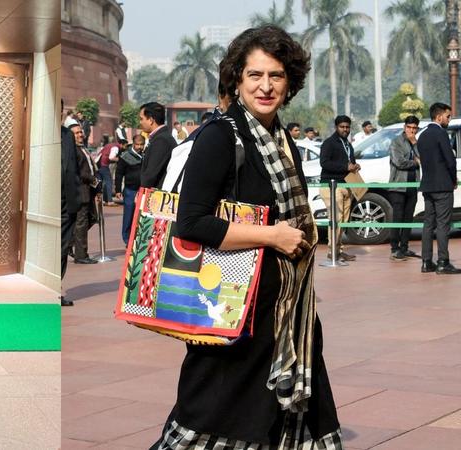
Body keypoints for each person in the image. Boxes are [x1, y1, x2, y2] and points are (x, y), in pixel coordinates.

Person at [153, 26, 341, 449]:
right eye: (254, 75)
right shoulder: (221, 136)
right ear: (237, 79)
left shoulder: (282, 139)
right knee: (211, 422)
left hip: (285, 315)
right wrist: (272, 235)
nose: (265, 86)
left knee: (281, 422)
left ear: (289, 82)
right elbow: (193, 222)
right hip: (231, 312)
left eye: (275, 75)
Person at [418, 102, 461, 274]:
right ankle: (443, 262)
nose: (449, 119)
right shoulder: (440, 134)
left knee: (428, 224)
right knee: (443, 225)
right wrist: (453, 179)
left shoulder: (422, 136)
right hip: (442, 186)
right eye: (448, 116)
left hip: (428, 185)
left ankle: (426, 262)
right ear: (439, 116)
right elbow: (450, 160)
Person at [319, 115, 360, 262]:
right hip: (331, 186)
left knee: (343, 220)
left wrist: (354, 166)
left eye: (347, 127)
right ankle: (332, 251)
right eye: (342, 127)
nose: (345, 129)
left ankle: (339, 250)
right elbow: (324, 163)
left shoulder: (348, 145)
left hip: (346, 185)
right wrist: (345, 166)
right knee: (335, 219)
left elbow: (350, 163)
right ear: (336, 127)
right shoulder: (329, 143)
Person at [388, 115, 422, 261]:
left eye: (414, 128)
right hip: (398, 186)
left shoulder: (417, 142)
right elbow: (399, 162)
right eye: (409, 127)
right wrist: (415, 163)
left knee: (408, 218)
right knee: (398, 218)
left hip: (413, 185)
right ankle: (395, 249)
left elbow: (424, 159)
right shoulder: (396, 142)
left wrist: (415, 144)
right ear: (404, 127)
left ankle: (404, 248)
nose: (412, 131)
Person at [61, 104, 81, 306]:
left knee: (63, 247)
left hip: (67, 201)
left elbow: (73, 164)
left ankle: (56, 290)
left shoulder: (67, 135)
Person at [71, 122, 99, 264]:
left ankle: (70, 243)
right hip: (81, 191)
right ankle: (81, 255)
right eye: (76, 133)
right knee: (82, 223)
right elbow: (80, 172)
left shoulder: (83, 149)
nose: (80, 134)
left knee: (92, 218)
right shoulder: (73, 151)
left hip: (89, 191)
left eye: (80, 132)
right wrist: (94, 180)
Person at [114, 134, 145, 245]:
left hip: (143, 190)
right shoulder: (125, 156)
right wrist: (118, 189)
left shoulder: (145, 155)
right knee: (129, 215)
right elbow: (119, 173)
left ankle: (138, 239)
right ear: (133, 143)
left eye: (142, 144)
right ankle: (127, 239)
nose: (139, 147)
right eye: (137, 144)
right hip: (130, 190)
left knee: (141, 216)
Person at [139, 102, 177, 188]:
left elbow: (150, 174)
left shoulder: (161, 140)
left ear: (151, 120)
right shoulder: (160, 137)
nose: (140, 122)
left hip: (157, 194)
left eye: (141, 119)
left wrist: (142, 193)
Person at [97, 136, 120, 206]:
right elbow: (111, 157)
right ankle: (110, 201)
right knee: (109, 182)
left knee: (102, 183)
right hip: (104, 164)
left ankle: (104, 200)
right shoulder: (116, 147)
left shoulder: (107, 145)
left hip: (98, 164)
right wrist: (119, 159)